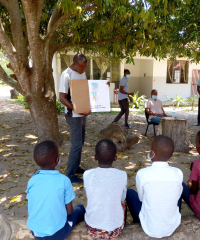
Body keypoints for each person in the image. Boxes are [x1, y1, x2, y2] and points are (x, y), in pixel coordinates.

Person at [126, 135, 183, 238]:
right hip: (171, 226)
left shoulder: (142, 173)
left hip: (149, 227)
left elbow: (141, 198)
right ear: (171, 155)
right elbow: (177, 197)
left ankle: (137, 220)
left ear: (152, 153)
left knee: (129, 192)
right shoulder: (178, 173)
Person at [26, 140, 85, 240]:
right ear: (57, 160)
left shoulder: (32, 180)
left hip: (35, 231)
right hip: (56, 234)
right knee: (80, 208)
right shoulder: (64, 181)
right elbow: (69, 211)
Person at [83, 139, 127, 239]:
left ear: (95, 157)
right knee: (123, 201)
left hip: (92, 229)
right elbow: (122, 198)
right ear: (115, 158)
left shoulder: (87, 174)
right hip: (115, 230)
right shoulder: (122, 175)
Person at [59, 54, 91, 183]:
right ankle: (70, 175)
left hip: (82, 114)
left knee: (80, 142)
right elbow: (62, 98)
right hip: (73, 115)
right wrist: (76, 109)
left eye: (85, 68)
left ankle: (76, 167)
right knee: (76, 145)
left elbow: (83, 91)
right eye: (81, 68)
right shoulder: (66, 75)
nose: (83, 71)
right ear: (74, 64)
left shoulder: (82, 73)